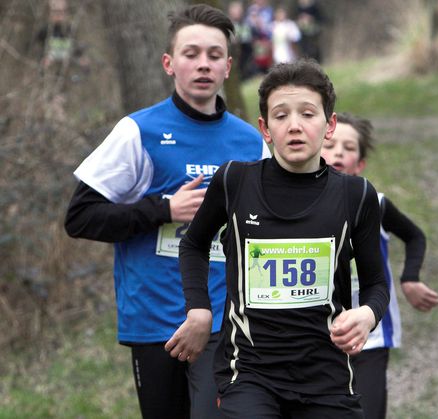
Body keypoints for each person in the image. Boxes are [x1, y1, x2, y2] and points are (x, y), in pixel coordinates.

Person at [64, 4, 270, 419]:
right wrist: (163, 209)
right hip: (155, 318)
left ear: (228, 67)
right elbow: (80, 217)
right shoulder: (139, 132)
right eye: (191, 54)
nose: (203, 64)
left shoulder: (250, 143)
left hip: (224, 320)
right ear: (169, 64)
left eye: (214, 55)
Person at [167, 59, 390, 418]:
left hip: (326, 374)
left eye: (308, 114)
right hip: (250, 372)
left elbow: (376, 282)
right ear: (265, 128)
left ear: (329, 125)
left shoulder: (356, 195)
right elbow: (193, 244)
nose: (295, 126)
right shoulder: (234, 182)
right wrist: (199, 309)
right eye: (281, 115)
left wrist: (367, 314)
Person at [320, 112, 438, 419]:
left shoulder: (376, 203)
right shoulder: (294, 207)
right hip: (315, 336)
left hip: (370, 337)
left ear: (360, 164)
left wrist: (410, 278)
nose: (338, 153)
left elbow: (414, 236)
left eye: (348, 148)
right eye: (330, 145)